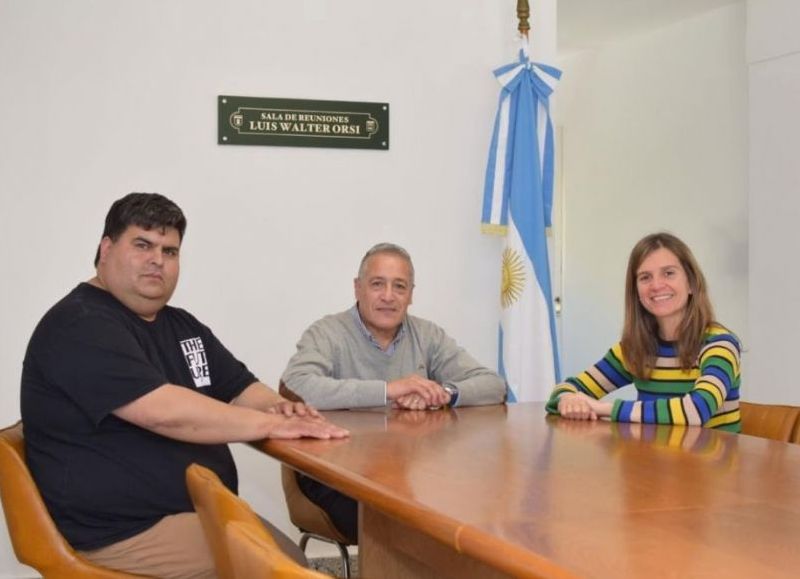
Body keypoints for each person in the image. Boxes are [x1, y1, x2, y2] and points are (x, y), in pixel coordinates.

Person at [20, 193, 349, 579]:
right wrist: (273, 425)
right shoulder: (80, 324)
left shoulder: (179, 325)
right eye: (142, 245)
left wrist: (281, 407)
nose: (157, 260)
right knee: (285, 571)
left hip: (189, 511)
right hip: (121, 532)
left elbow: (240, 386)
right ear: (106, 249)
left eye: (170, 251)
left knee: (291, 560)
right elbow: (164, 412)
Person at [280, 242, 506, 542]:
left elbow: (493, 385)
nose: (388, 296)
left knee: (470, 502)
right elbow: (296, 384)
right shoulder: (328, 332)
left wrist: (442, 393)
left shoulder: (427, 335)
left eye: (399, 286)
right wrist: (388, 390)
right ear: (358, 288)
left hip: (409, 475)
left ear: (411, 294)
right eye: (377, 284)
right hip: (336, 474)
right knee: (400, 519)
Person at [546, 232, 741, 431]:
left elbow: (697, 410)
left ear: (691, 283)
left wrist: (604, 409)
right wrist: (568, 400)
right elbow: (564, 391)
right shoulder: (635, 348)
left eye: (669, 273)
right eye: (645, 277)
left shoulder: (720, 344)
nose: (656, 285)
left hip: (712, 453)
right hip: (652, 452)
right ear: (636, 291)